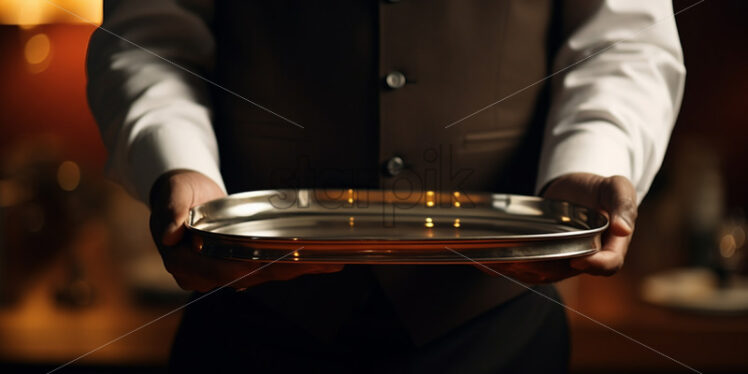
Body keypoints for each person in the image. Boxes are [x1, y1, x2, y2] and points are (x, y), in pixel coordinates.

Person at [87, 0, 685, 372]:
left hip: (500, 338)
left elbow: (624, 39)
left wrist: (589, 162)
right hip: (245, 330)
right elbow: (149, 35)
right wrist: (179, 160)